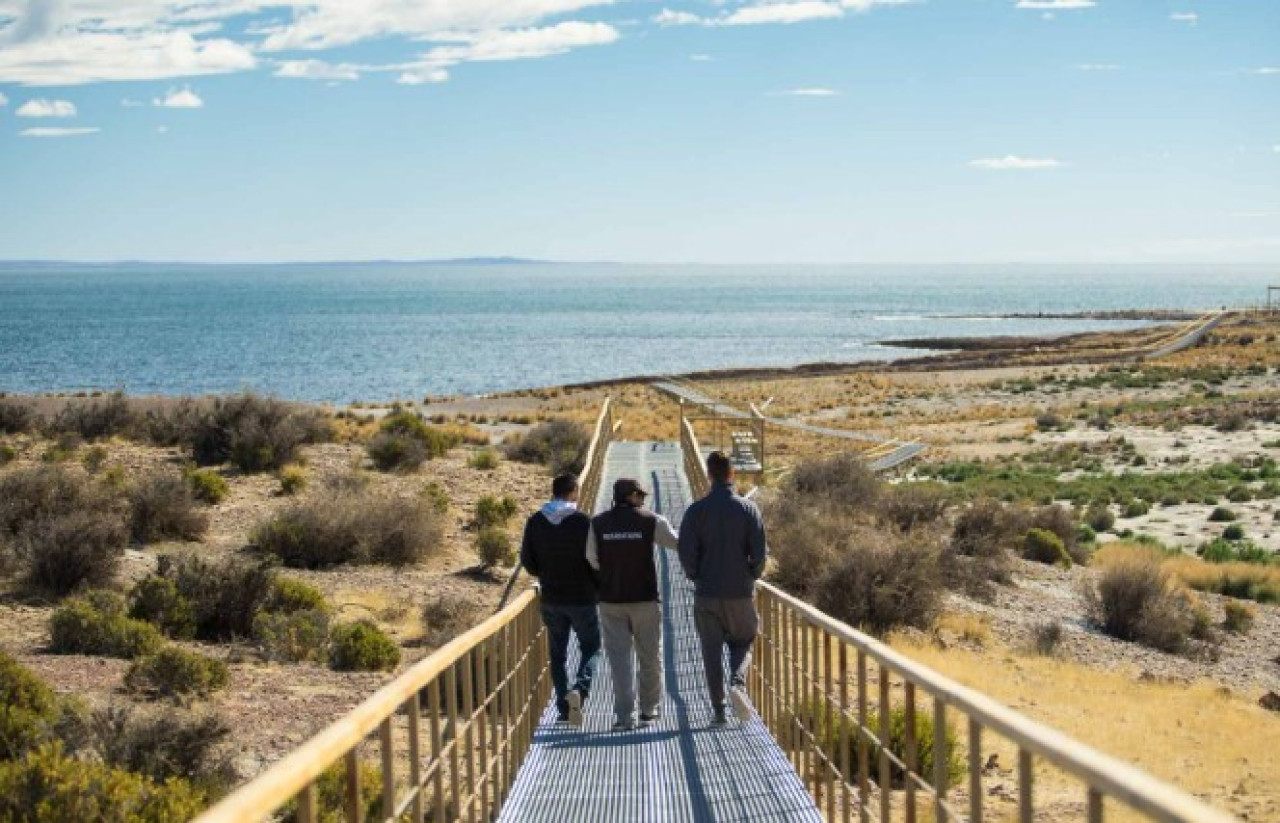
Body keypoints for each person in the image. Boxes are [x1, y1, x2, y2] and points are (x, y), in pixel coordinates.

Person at [678, 451, 768, 727]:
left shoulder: (696, 510)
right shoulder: (748, 509)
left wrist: (696, 576)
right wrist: (751, 574)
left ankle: (718, 711)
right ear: (731, 475)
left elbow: (685, 551)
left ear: (708, 475)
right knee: (744, 639)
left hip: (707, 593)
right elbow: (760, 552)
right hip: (739, 591)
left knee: (711, 652)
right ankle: (737, 684)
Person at [587, 477, 679, 731]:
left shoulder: (597, 523)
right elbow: (677, 543)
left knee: (619, 661)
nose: (642, 499)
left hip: (610, 600)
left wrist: (610, 572)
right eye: (640, 495)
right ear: (631, 496)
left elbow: (591, 558)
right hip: (645, 599)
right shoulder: (652, 520)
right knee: (649, 655)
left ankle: (624, 716)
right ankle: (649, 710)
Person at [520, 473, 600, 727]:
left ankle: (564, 709)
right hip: (582, 597)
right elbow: (594, 559)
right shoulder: (582, 521)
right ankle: (580, 687)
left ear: (553, 491)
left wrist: (544, 573)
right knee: (591, 646)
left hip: (552, 596)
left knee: (557, 654)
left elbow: (527, 560)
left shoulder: (535, 521)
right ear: (573, 491)